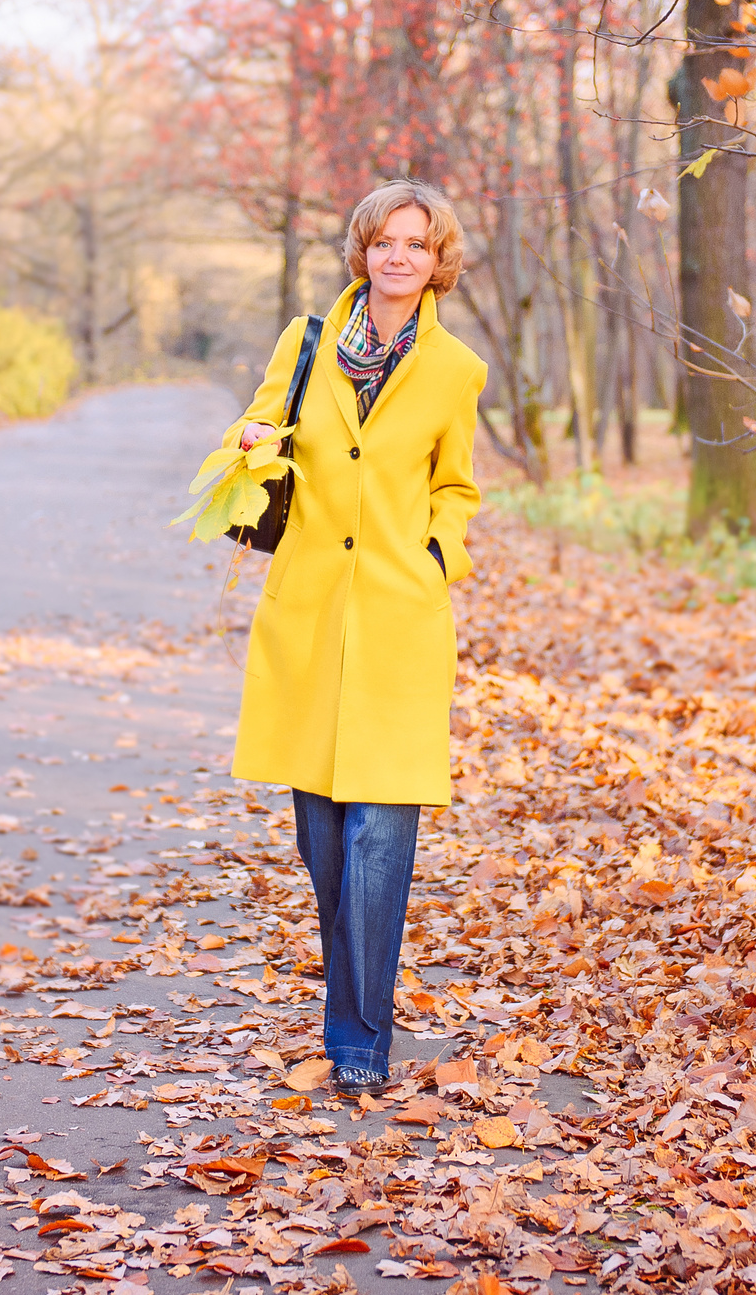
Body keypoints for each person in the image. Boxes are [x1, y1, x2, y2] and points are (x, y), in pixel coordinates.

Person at [224, 177, 486, 1097]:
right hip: (309, 614)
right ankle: (352, 1003)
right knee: (324, 847)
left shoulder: (457, 371)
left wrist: (434, 552)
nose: (400, 256)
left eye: (417, 243)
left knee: (380, 841)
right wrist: (253, 442)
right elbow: (253, 435)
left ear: (437, 259)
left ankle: (360, 1042)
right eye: (385, 241)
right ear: (364, 250)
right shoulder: (305, 343)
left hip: (400, 623)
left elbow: (456, 486)